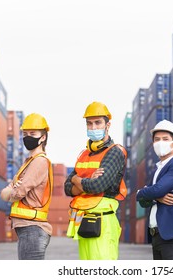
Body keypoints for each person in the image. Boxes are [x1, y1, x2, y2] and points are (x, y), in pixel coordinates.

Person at [64, 101, 127, 260]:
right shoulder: (84, 154)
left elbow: (97, 185)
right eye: (89, 123)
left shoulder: (114, 153)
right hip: (83, 221)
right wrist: (84, 181)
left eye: (98, 122)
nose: (93, 127)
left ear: (108, 125)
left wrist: (77, 179)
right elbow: (66, 187)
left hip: (103, 221)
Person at [0, 113, 53, 260]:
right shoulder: (27, 162)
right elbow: (4, 194)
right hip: (27, 229)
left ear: (43, 137)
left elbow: (17, 192)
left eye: (32, 133)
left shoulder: (39, 162)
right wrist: (12, 190)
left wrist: (12, 190)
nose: (28, 137)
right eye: (25, 134)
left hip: (33, 229)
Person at [136, 119, 173, 260]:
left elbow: (157, 190)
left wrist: (141, 193)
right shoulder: (156, 170)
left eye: (165, 139)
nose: (160, 142)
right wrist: (154, 197)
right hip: (157, 236)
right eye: (157, 139)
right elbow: (144, 202)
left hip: (172, 237)